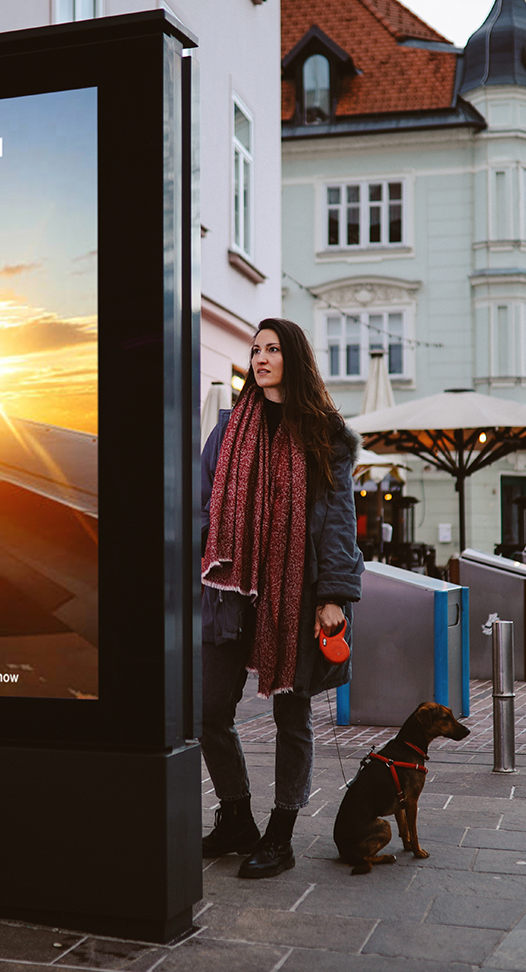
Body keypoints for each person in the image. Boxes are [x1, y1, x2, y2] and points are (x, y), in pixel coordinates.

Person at [199, 318, 363, 879]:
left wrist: (336, 595)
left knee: (291, 714)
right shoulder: (227, 431)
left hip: (296, 591)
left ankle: (282, 830)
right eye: (255, 349)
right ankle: (237, 816)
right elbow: (203, 505)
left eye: (272, 348)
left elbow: (339, 521)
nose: (261, 357)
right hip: (231, 591)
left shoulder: (325, 434)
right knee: (209, 708)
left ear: (292, 357)